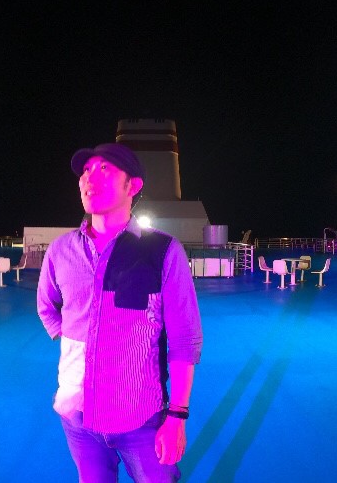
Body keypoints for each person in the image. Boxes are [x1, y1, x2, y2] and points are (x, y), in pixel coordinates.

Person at [37, 143, 203, 482]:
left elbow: (184, 339)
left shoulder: (162, 251)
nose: (89, 178)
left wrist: (177, 416)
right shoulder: (61, 251)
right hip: (78, 416)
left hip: (141, 418)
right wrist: (77, 338)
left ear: (133, 185)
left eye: (104, 169)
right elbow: (47, 307)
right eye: (85, 171)